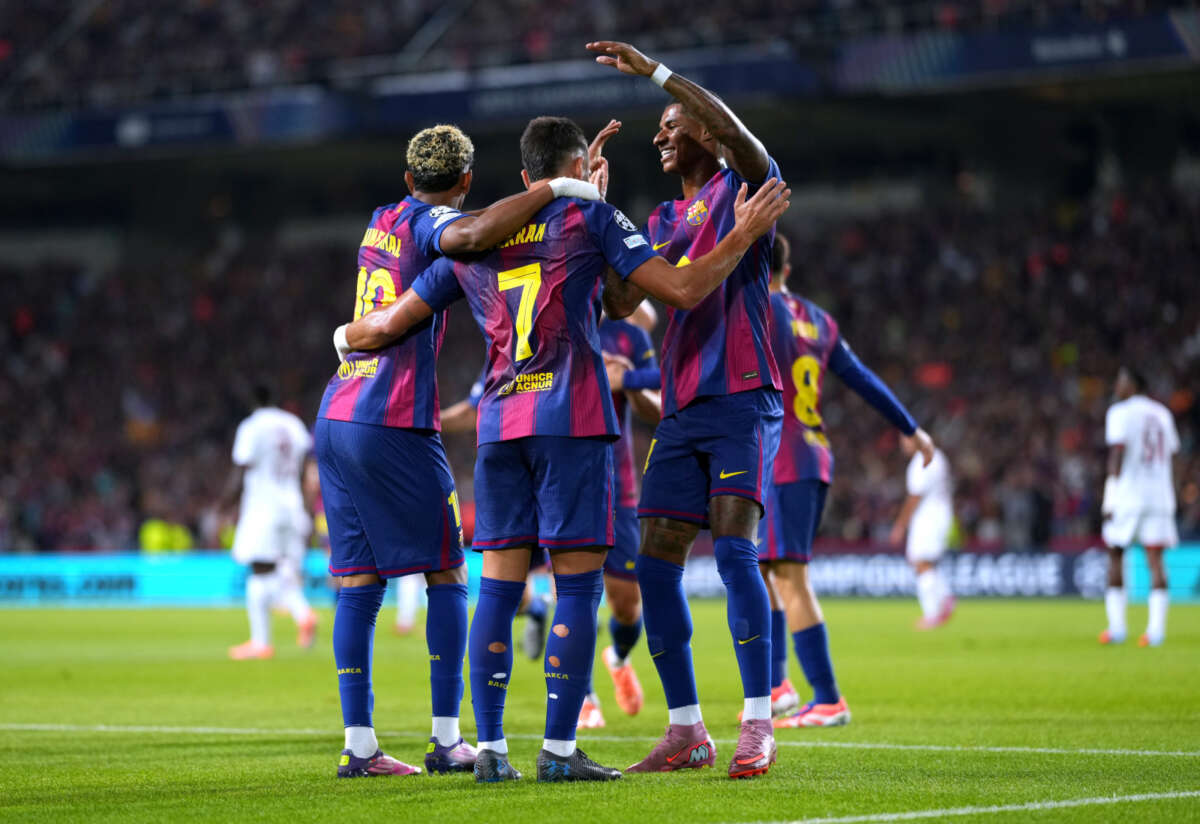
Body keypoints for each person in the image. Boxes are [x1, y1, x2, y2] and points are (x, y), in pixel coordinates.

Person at [336, 115, 789, 782]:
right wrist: (737, 231)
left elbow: (393, 320)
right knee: (577, 587)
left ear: (524, 176)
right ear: (579, 168)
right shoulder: (592, 221)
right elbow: (681, 291)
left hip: (499, 426)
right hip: (570, 419)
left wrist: (348, 338)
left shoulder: (471, 242)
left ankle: (488, 750)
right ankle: (558, 749)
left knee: (497, 587)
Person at [315, 123, 603, 779]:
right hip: (391, 418)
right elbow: (471, 236)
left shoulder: (381, 216)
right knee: (447, 571)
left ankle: (359, 749)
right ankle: (448, 741)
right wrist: (562, 186)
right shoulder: (431, 224)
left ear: (406, 176)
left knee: (358, 585)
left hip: (336, 409)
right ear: (466, 181)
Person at [587, 39, 787, 778]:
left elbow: (739, 136)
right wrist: (598, 214)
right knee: (654, 564)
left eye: (673, 124)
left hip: (742, 399)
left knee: (736, 551)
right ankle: (685, 730)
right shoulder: (665, 215)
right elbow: (618, 300)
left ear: (705, 128)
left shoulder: (746, 187)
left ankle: (759, 723)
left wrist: (659, 76)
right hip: (681, 409)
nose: (660, 135)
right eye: (662, 125)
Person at [757, 235, 933, 728]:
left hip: (781, 456)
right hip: (810, 453)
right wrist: (909, 427)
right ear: (787, 268)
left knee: (788, 576)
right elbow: (861, 379)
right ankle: (776, 687)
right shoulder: (818, 319)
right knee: (765, 569)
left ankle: (828, 697)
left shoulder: (753, 308)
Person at [577, 308, 662, 728]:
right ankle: (582, 695)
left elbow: (660, 397)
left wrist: (626, 381)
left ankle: (618, 657)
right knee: (573, 591)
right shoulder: (563, 318)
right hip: (568, 478)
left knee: (627, 607)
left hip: (619, 482)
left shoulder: (630, 336)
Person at [223, 384, 316, 660]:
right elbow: (302, 467)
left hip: (263, 506)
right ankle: (298, 616)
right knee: (282, 568)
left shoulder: (252, 426)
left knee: (261, 569)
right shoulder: (294, 424)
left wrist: (223, 505)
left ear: (252, 401)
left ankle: (265, 640)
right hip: (292, 504)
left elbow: (242, 469)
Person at [1099, 366, 1180, 647]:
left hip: (1130, 495)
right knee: (1155, 560)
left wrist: (1110, 496)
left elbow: (1117, 454)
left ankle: (1117, 629)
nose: (1116, 386)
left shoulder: (1120, 412)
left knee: (1115, 554)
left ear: (1131, 385)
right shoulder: (1162, 413)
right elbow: (1173, 456)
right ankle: (1155, 632)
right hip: (1160, 495)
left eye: (1119, 381)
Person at [890, 434, 954, 629]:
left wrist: (900, 525)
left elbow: (915, 497)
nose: (903, 445)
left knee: (920, 562)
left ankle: (932, 613)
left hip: (928, 517)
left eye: (906, 440)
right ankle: (945, 597)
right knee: (925, 562)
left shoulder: (921, 461)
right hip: (940, 514)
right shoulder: (938, 455)